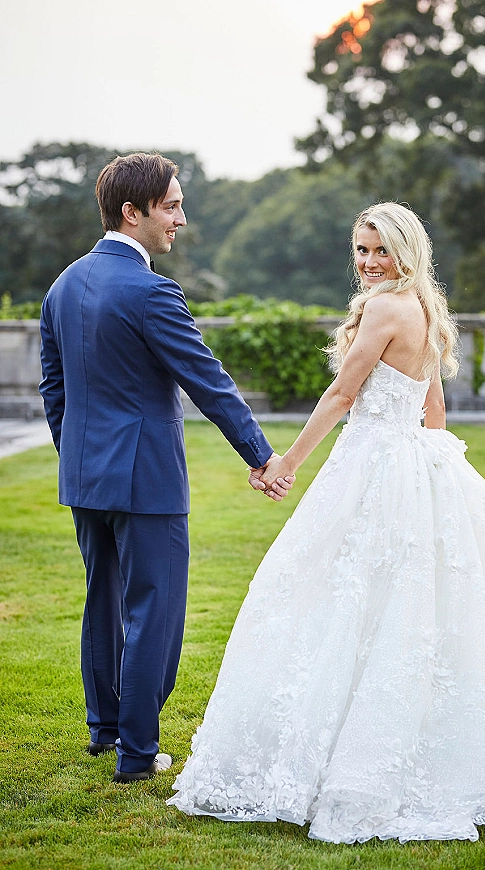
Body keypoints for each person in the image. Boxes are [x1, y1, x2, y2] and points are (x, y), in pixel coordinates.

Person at [167, 202, 485, 842]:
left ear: (405, 252)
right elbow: (433, 410)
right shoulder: (425, 308)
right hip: (408, 466)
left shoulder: (388, 308)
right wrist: (430, 476)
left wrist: (287, 463)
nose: (367, 263)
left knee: (331, 596)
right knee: (400, 605)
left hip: (372, 466)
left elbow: (342, 396)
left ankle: (343, 760)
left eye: (380, 251)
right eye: (360, 250)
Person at [39, 152, 292, 784]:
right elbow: (210, 383)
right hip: (146, 479)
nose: (181, 218)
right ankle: (138, 752)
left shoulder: (62, 286)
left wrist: (77, 457)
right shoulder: (152, 292)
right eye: (172, 206)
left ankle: (105, 733)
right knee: (155, 610)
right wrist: (263, 456)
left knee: (103, 602)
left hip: (85, 478)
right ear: (134, 212)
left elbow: (53, 390)